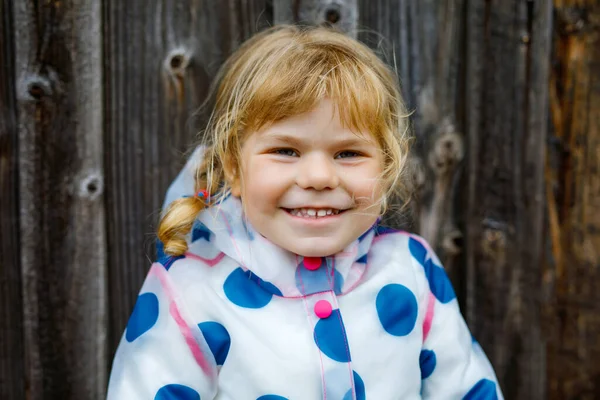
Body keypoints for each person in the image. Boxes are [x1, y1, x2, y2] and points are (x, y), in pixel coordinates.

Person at [106, 25, 503, 400]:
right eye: (286, 151)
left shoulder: (412, 269)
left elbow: (468, 388)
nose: (318, 177)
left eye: (348, 153)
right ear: (233, 167)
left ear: (385, 168)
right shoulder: (191, 291)